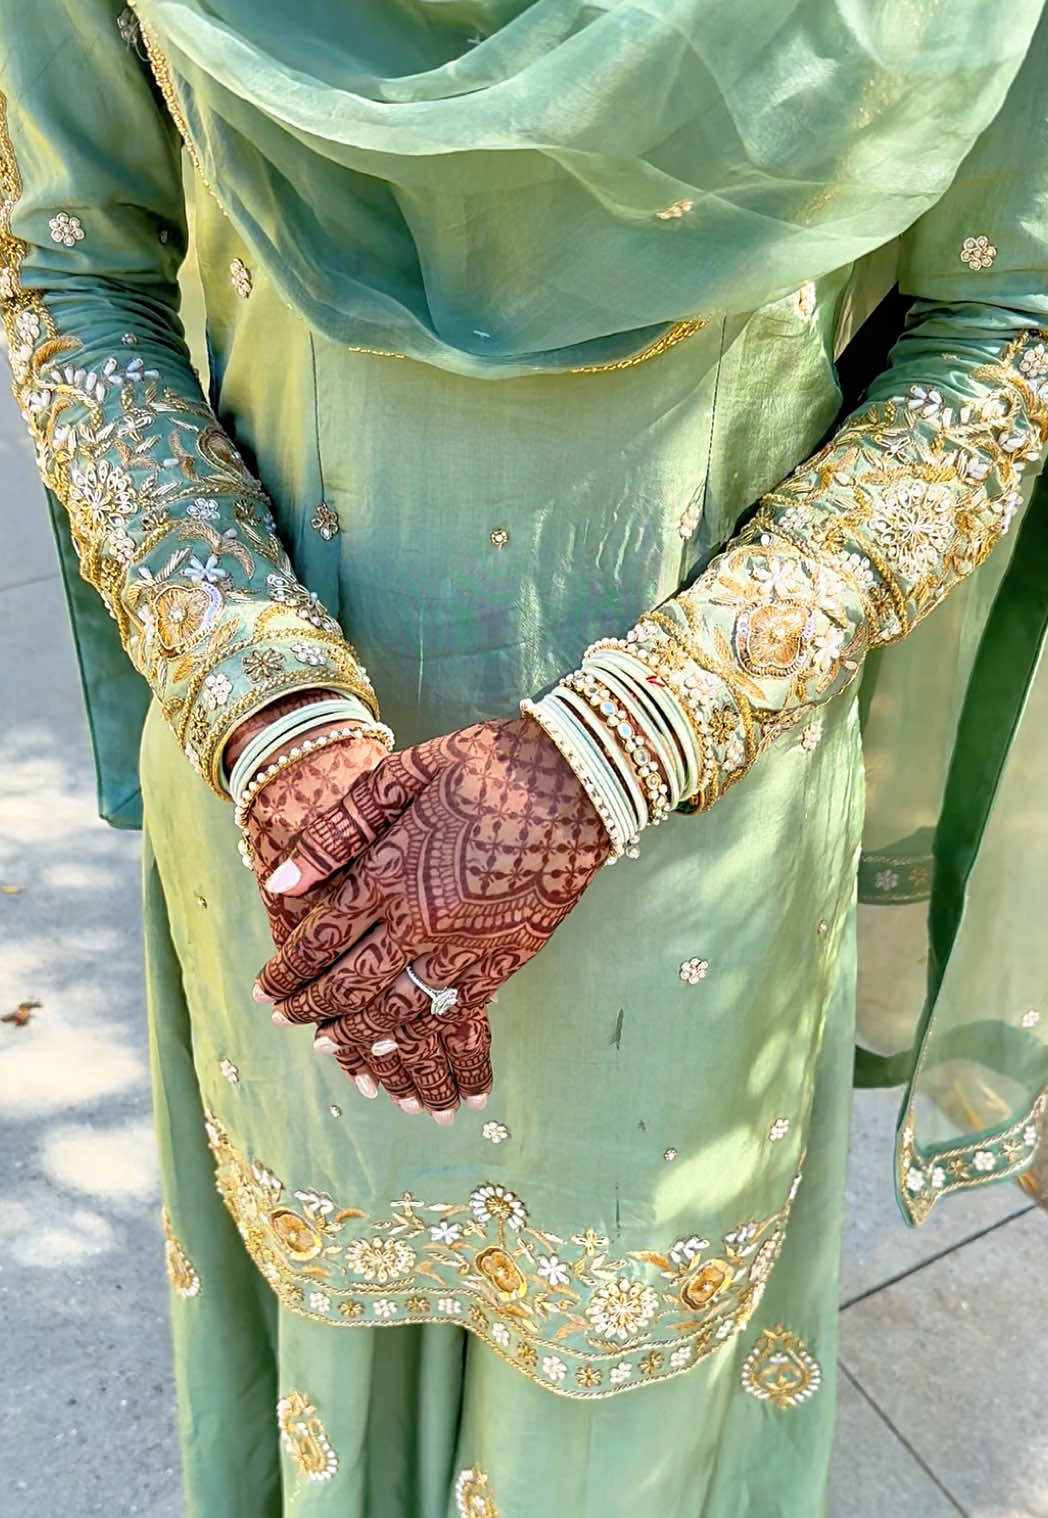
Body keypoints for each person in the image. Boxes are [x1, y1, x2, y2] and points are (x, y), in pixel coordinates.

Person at [3, 2, 1047, 1513]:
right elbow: (73, 266)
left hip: (685, 863)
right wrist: (263, 709)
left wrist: (619, 746)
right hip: (293, 850)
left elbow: (1002, 325)